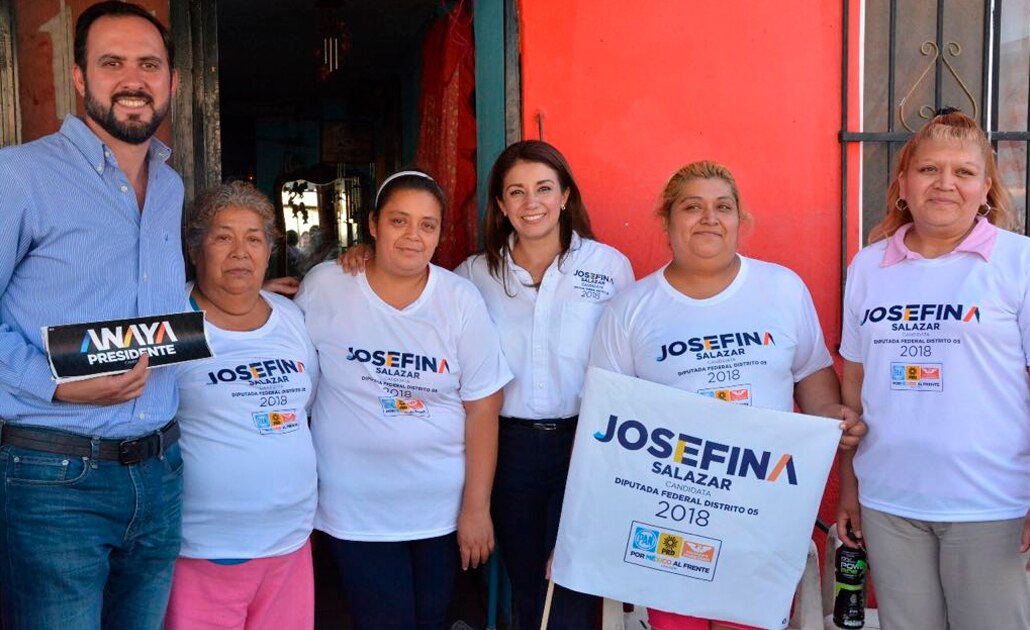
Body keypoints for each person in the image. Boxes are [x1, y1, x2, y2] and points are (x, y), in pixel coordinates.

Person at [340, 141, 634, 629]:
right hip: (509, 448)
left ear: (565, 196)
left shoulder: (609, 268)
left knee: (573, 585)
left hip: (587, 444)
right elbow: (414, 308)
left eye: (543, 188)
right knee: (525, 584)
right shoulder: (473, 275)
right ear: (500, 205)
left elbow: (629, 361)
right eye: (516, 192)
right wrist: (363, 256)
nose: (531, 202)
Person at [589, 160, 864, 630]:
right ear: (668, 220)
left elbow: (813, 380)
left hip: (759, 516)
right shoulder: (629, 309)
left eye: (723, 207)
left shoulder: (782, 289)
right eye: (692, 207)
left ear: (740, 219)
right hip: (670, 517)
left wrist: (833, 416)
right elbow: (607, 426)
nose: (709, 218)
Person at [0, 2, 184, 628]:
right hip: (53, 475)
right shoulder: (18, 176)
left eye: (149, 64)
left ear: (172, 82)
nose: (133, 80)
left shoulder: (171, 185)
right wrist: (55, 382)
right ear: (80, 78)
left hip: (162, 471)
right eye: (112, 63)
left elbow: (160, 303)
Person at [836, 109, 1030, 629]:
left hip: (990, 504)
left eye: (964, 172)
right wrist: (850, 489)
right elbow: (854, 391)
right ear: (903, 184)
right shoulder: (867, 267)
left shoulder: (1018, 262)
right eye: (928, 170)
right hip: (889, 502)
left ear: (986, 188)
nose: (945, 184)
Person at [296, 170, 512, 630]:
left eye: (427, 225)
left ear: (440, 234)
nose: (413, 236)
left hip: (439, 509)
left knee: (434, 619)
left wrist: (476, 508)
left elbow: (483, 407)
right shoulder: (326, 286)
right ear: (373, 224)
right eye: (399, 221)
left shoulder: (459, 300)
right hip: (355, 509)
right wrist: (259, 298)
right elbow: (288, 367)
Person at [165, 182, 319, 630]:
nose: (239, 251)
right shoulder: (171, 320)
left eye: (253, 238)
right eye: (222, 237)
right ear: (196, 250)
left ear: (270, 251)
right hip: (202, 550)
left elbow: (306, 405)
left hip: (289, 545)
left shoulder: (290, 318)